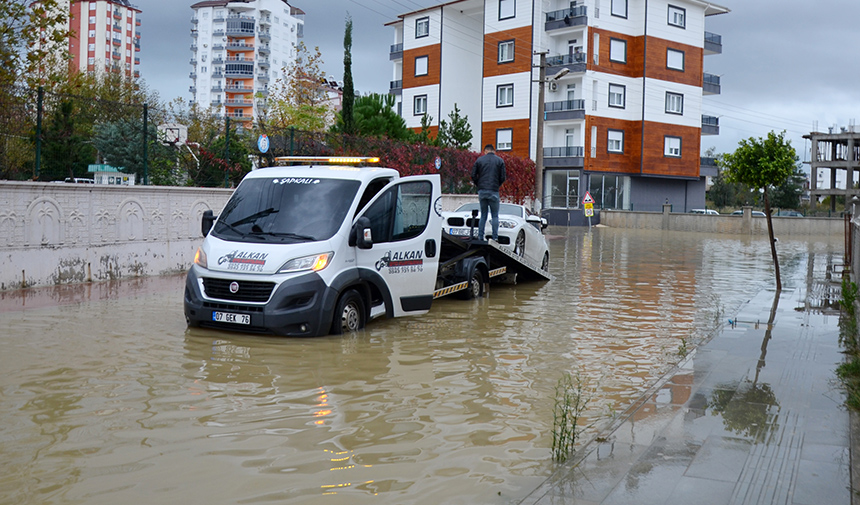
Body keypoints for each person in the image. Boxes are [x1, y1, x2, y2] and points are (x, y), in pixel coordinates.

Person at [471, 144, 506, 241]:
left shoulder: (479, 160)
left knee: (483, 215)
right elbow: (503, 177)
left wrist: (479, 184)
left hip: (482, 191)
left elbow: (473, 175)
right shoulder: (500, 161)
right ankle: (495, 237)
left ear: (485, 151)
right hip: (494, 191)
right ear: (493, 151)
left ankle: (480, 236)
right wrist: (496, 185)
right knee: (495, 215)